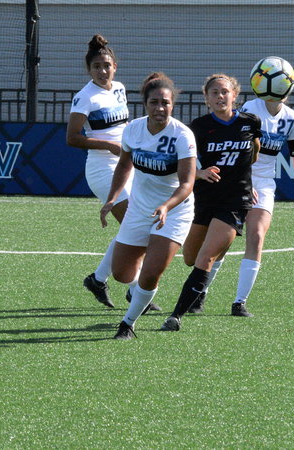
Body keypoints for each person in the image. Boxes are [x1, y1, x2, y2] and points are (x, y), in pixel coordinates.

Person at [191, 79, 294, 317]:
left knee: (257, 236)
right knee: (222, 244)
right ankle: (200, 292)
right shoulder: (251, 109)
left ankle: (239, 302)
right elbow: (237, 147)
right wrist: (243, 181)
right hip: (237, 179)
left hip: (264, 185)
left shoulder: (291, 118)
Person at [160, 74, 261, 332]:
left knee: (205, 257)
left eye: (225, 91)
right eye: (214, 92)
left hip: (235, 201)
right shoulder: (198, 127)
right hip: (203, 199)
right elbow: (185, 164)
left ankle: (176, 316)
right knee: (191, 258)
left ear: (234, 95)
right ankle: (203, 277)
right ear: (206, 98)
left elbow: (254, 152)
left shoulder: (250, 122)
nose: (220, 96)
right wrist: (200, 173)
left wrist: (246, 182)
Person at [66, 34, 160, 312]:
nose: (102, 70)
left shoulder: (119, 88)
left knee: (138, 227)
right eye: (97, 66)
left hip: (127, 164)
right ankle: (134, 290)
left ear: (115, 67)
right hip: (102, 168)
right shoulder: (85, 97)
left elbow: (123, 127)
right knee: (137, 227)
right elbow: (72, 137)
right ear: (89, 70)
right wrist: (108, 145)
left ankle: (98, 279)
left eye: (107, 65)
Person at [102, 72, 197, 340]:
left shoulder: (182, 135)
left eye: (165, 103)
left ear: (172, 105)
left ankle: (128, 324)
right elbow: (124, 164)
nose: (160, 108)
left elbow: (187, 183)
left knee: (151, 273)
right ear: (145, 104)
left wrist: (166, 206)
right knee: (122, 274)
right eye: (154, 102)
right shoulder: (133, 129)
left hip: (175, 211)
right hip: (140, 209)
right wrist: (112, 198)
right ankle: (138, 292)